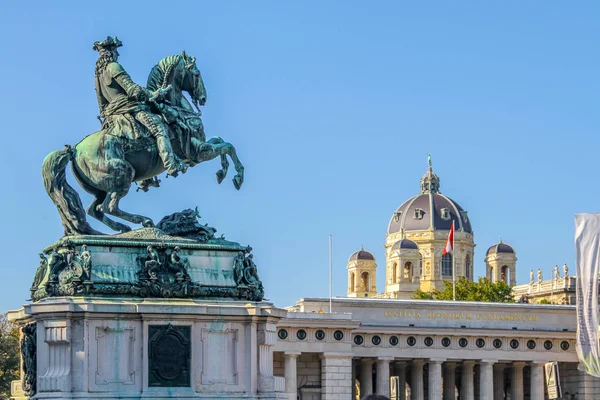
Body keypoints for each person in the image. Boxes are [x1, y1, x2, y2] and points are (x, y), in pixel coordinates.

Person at [92, 36, 186, 175]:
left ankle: (146, 179)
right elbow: (132, 89)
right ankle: (170, 163)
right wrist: (153, 93)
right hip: (130, 110)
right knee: (159, 128)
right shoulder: (113, 67)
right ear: (111, 52)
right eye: (116, 50)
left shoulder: (97, 76)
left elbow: (101, 104)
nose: (118, 54)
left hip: (111, 116)